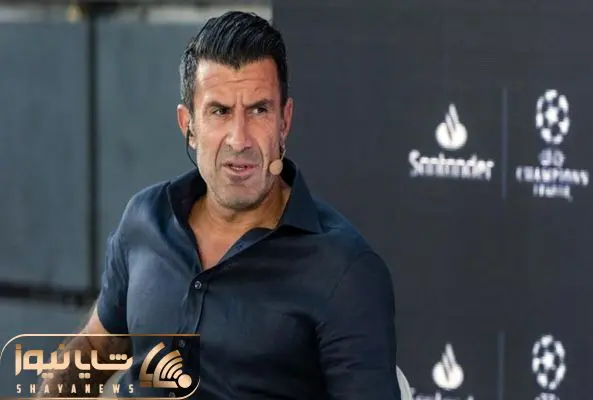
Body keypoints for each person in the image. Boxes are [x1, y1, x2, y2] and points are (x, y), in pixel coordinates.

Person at [38, 11, 401, 399]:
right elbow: (95, 348)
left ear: (284, 121)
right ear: (188, 126)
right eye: (220, 111)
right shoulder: (146, 219)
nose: (239, 139)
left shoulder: (344, 269)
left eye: (259, 110)